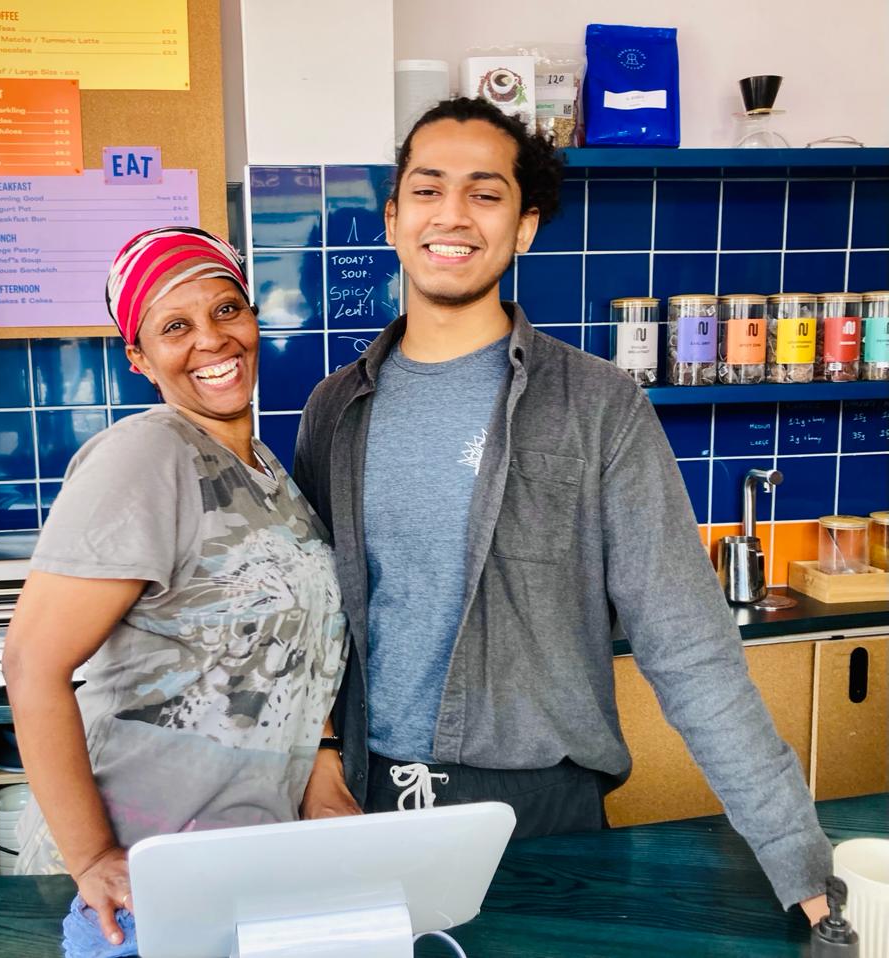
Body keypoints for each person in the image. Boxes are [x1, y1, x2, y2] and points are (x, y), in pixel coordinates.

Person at [293, 98, 832, 923]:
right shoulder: (336, 409)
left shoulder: (600, 404)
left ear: (525, 225)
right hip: (364, 802)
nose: (453, 215)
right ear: (396, 216)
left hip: (541, 816)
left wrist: (798, 862)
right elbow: (316, 625)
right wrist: (320, 761)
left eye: (486, 193)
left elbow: (689, 645)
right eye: (429, 189)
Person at [4, 227, 349, 948]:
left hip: (252, 862)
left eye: (226, 310)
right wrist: (94, 857)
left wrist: (322, 782)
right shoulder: (148, 454)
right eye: (175, 326)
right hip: (150, 880)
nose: (212, 341)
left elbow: (298, 642)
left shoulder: (264, 469)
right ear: (139, 358)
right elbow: (32, 663)